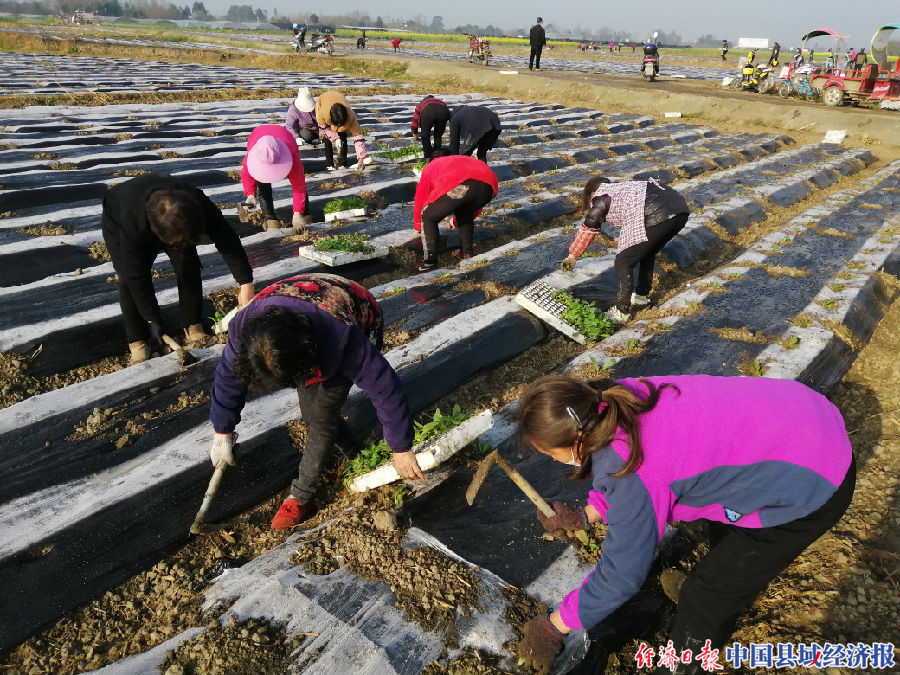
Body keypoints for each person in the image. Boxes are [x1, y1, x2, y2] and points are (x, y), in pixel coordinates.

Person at [513, 374, 855, 675]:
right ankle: (724, 590)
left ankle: (684, 665)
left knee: (707, 595)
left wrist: (553, 627)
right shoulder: (618, 396)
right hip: (798, 415)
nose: (551, 459)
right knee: (723, 529)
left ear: (575, 441)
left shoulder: (632, 476)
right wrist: (587, 515)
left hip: (812, 477)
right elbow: (640, 467)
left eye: (548, 452)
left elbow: (619, 576)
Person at [208, 273, 421, 530]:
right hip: (303, 302)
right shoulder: (244, 332)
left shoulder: (343, 337)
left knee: (320, 415)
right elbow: (228, 379)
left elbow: (385, 387)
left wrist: (401, 448)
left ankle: (301, 495)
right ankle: (358, 457)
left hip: (356, 309)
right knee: (314, 413)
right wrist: (222, 431)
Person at [102, 173, 255, 365]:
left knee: (187, 262)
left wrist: (245, 283)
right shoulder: (132, 224)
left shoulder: (195, 202)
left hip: (174, 220)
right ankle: (137, 341)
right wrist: (152, 318)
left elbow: (227, 239)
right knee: (127, 277)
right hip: (117, 218)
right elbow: (136, 276)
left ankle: (193, 325)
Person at [561, 176, 689, 324]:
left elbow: (588, 228)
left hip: (659, 215)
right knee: (647, 252)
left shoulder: (600, 197)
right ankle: (641, 296)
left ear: (591, 193)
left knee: (623, 261)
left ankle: (621, 312)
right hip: (680, 212)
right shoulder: (623, 188)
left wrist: (573, 255)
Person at [412, 153, 498, 271]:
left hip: (467, 184)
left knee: (428, 217)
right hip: (490, 185)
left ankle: (429, 262)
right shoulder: (458, 160)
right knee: (465, 212)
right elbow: (474, 205)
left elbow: (420, 198)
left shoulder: (431, 166)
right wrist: (454, 222)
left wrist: (418, 225)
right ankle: (466, 254)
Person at [240, 124, 311, 232]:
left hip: (283, 136)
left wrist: (297, 214)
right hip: (257, 135)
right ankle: (271, 221)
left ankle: (305, 215)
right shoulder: (252, 156)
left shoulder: (291, 155)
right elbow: (246, 175)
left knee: (299, 184)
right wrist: (250, 195)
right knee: (263, 186)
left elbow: (299, 187)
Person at [314, 90, 370, 172]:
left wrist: (361, 158)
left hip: (339, 98)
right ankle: (329, 164)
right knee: (327, 139)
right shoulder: (323, 113)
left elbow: (358, 136)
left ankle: (342, 163)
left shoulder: (351, 116)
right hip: (323, 101)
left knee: (343, 135)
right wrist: (335, 138)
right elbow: (324, 128)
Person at [410, 95, 451, 160]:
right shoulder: (440, 101)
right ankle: (437, 155)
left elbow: (415, 120)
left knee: (425, 136)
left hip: (428, 112)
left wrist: (414, 133)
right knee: (438, 135)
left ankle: (428, 156)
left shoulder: (421, 104)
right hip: (444, 111)